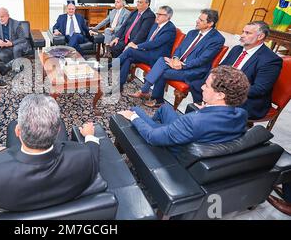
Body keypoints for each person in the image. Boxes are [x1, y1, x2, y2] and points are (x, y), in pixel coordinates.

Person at [0, 94, 101, 211]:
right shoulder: (84, 157)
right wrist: (89, 136)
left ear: (18, 131)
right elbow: (93, 155)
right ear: (58, 131)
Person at [118, 65, 250, 155]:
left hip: (173, 149)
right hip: (191, 134)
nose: (202, 87)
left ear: (220, 95)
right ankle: (156, 126)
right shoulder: (241, 114)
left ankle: (131, 144)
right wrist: (208, 109)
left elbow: (152, 137)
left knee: (134, 110)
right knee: (165, 108)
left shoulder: (193, 121)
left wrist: (133, 117)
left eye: (207, 86)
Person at [129, 8, 225, 107]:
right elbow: (179, 49)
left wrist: (182, 65)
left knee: (162, 72)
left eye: (201, 20)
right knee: (162, 59)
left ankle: (155, 97)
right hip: (178, 63)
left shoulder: (217, 39)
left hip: (193, 70)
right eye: (198, 18)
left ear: (210, 24)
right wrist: (175, 59)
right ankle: (147, 91)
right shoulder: (193, 32)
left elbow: (203, 59)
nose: (197, 21)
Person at [191, 21, 283, 120]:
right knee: (196, 84)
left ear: (260, 36)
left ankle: (213, 123)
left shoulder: (270, 60)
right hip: (224, 88)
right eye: (243, 32)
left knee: (219, 101)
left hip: (248, 99)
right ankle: (204, 115)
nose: (242, 35)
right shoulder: (237, 49)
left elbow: (259, 89)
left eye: (247, 33)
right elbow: (220, 69)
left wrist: (226, 91)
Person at [115, 5, 176, 90]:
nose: (157, 16)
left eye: (160, 14)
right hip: (147, 53)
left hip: (157, 57)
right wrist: (140, 47)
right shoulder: (155, 25)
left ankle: (112, 65)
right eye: (157, 13)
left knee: (130, 51)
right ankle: (119, 85)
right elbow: (148, 40)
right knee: (128, 58)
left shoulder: (170, 29)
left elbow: (155, 43)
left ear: (168, 17)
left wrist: (137, 46)